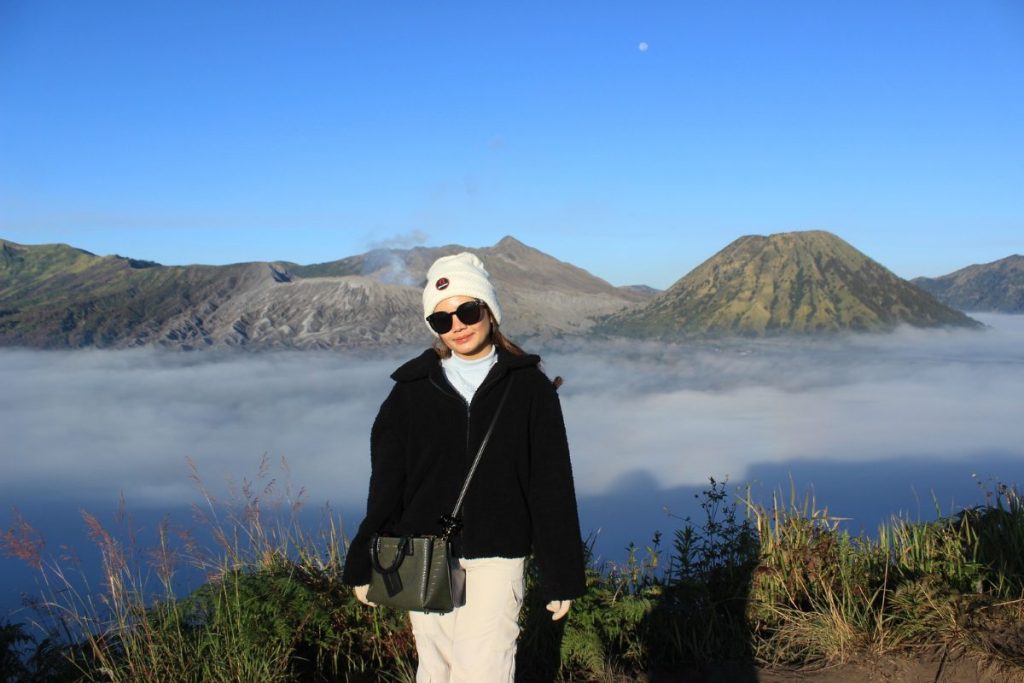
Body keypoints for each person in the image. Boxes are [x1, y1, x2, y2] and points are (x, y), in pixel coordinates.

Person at [342, 252, 587, 683]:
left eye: (467, 310)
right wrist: (365, 558)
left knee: (484, 671)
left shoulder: (528, 388)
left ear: (489, 310)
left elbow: (550, 484)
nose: (456, 325)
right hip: (422, 551)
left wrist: (561, 572)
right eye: (441, 320)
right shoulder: (411, 390)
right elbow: (386, 484)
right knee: (436, 670)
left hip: (498, 552)